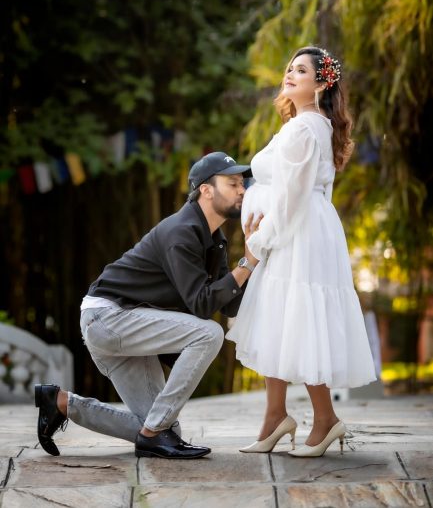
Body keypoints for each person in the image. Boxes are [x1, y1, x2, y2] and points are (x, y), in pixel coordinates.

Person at [35, 151, 257, 460]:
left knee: (164, 428)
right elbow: (202, 305)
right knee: (209, 334)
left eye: (242, 183)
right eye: (233, 183)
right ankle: (152, 435)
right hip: (108, 318)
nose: (242, 190)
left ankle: (60, 402)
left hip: (126, 325)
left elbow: (229, 305)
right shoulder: (181, 232)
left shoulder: (214, 239)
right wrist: (247, 264)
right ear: (206, 190)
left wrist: (258, 267)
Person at [226, 46, 377, 457]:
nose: (290, 75)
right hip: (307, 228)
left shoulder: (304, 129)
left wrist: (261, 239)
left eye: (302, 70)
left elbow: (292, 196)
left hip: (297, 231)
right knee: (280, 318)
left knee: (299, 318)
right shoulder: (307, 125)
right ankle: (275, 415)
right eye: (290, 68)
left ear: (322, 83)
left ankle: (325, 419)